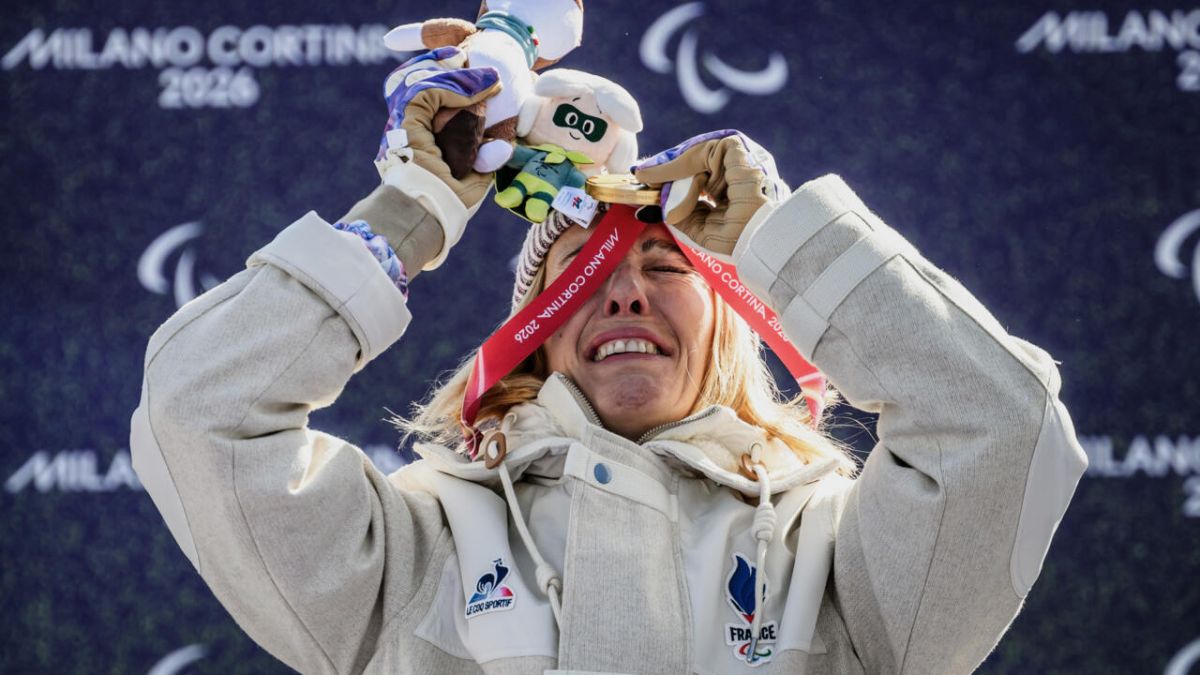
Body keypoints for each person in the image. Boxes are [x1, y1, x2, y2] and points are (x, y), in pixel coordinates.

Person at [130, 47, 1089, 674]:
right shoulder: (416, 545)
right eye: (581, 272)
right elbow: (200, 413)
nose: (624, 291)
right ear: (538, 335)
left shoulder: (837, 551)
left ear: (730, 327)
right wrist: (409, 215)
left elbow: (1000, 428)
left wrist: (779, 235)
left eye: (666, 265)